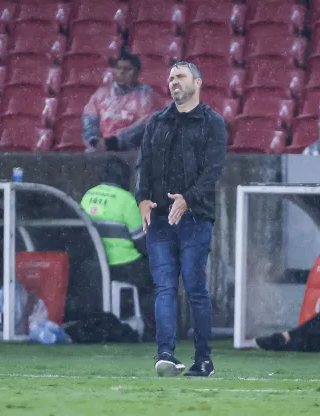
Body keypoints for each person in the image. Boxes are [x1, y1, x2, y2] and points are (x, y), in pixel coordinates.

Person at [135, 61, 227, 377]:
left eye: (181, 76)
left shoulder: (213, 123)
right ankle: (166, 353)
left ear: (197, 83)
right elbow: (142, 165)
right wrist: (141, 198)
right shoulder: (157, 122)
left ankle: (203, 359)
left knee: (194, 287)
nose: (174, 81)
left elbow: (213, 170)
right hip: (160, 219)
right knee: (164, 287)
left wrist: (188, 199)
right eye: (171, 77)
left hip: (196, 218)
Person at [81, 156, 155, 340]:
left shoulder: (88, 195)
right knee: (158, 276)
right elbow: (141, 242)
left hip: (95, 267)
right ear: (124, 178)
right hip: (123, 266)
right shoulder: (127, 200)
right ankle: (152, 329)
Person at [82, 52, 166, 153]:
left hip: (133, 151)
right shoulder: (100, 94)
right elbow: (89, 120)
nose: (121, 72)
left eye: (127, 69)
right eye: (118, 68)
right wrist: (94, 141)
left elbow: (146, 124)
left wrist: (116, 141)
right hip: (103, 149)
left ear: (137, 72)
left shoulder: (147, 95)